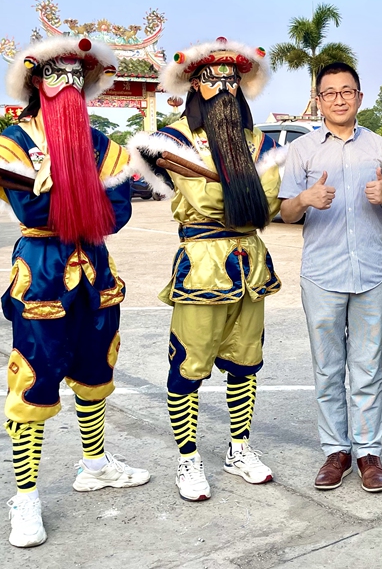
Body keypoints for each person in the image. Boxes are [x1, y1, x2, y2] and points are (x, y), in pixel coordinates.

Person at [0, 36, 150, 548]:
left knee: (96, 368)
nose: (68, 86)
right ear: (37, 82)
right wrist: (69, 196)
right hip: (40, 270)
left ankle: (95, 462)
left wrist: (64, 191)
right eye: (56, 76)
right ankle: (26, 496)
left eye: (76, 78)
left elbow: (118, 214)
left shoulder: (106, 146)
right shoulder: (12, 145)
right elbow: (32, 214)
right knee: (34, 381)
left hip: (96, 272)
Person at [127, 37, 284, 503]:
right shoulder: (170, 140)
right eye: (212, 79)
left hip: (248, 264)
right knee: (189, 368)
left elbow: (267, 204)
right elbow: (208, 199)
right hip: (201, 266)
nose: (224, 87)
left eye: (231, 79)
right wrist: (236, 196)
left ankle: (239, 450)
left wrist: (241, 199)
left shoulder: (261, 141)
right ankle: (188, 459)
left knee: (245, 363)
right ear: (195, 85)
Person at [278, 61, 382, 493]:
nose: (338, 98)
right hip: (322, 274)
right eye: (329, 92)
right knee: (328, 368)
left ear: (359, 97)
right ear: (318, 99)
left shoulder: (380, 148)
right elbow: (285, 212)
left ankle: (369, 452)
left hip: (371, 272)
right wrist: (305, 198)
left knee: (368, 368)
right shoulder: (304, 150)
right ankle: (336, 451)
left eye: (346, 91)